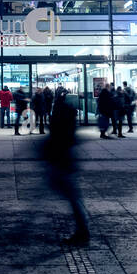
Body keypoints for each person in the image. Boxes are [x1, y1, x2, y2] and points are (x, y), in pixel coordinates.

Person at [44, 88, 89, 246]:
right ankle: (82, 230)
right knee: (72, 197)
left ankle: (82, 231)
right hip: (64, 161)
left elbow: (57, 137)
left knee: (71, 197)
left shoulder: (60, 115)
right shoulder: (69, 115)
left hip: (61, 161)